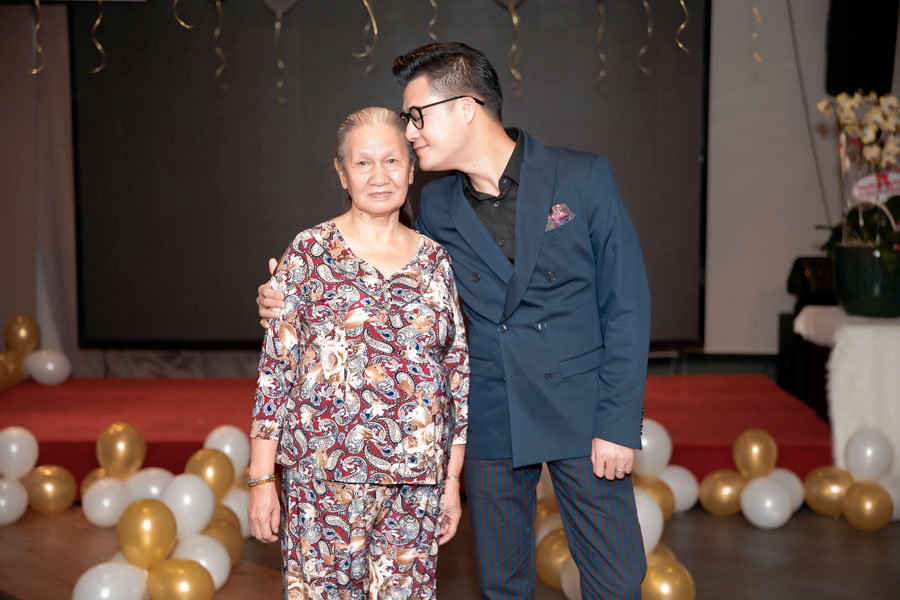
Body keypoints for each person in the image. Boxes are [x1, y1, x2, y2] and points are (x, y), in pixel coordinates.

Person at [258, 43, 650, 599]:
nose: (409, 132)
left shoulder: (582, 176)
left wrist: (617, 423)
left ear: (466, 108)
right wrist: (283, 297)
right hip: (493, 418)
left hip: (584, 416)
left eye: (416, 116)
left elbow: (627, 306)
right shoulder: (436, 205)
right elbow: (386, 282)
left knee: (617, 582)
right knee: (501, 587)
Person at [248, 106, 469, 600]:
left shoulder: (436, 261)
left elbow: (457, 374)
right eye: (363, 163)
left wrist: (452, 479)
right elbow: (275, 374)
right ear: (341, 172)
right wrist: (261, 479)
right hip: (322, 482)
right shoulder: (308, 254)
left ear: (411, 170)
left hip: (416, 484)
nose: (379, 176)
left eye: (391, 161)